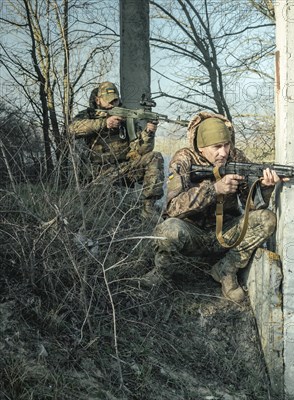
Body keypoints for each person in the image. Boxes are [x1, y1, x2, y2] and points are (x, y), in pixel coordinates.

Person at [144, 112, 282, 302]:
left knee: (266, 219)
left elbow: (252, 209)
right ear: (201, 148)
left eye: (226, 145)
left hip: (226, 235)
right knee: (167, 230)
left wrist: (265, 188)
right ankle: (162, 273)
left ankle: (226, 270)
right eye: (217, 147)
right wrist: (214, 189)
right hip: (192, 235)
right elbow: (173, 208)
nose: (223, 152)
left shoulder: (236, 157)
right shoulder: (184, 159)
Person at [69, 81, 164, 219]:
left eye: (115, 100)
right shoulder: (89, 115)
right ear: (98, 100)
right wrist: (104, 123)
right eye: (109, 101)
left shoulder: (125, 118)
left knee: (154, 157)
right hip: (99, 173)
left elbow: (141, 150)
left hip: (125, 168)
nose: (112, 104)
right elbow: (72, 129)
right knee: (104, 212)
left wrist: (148, 133)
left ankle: (148, 209)